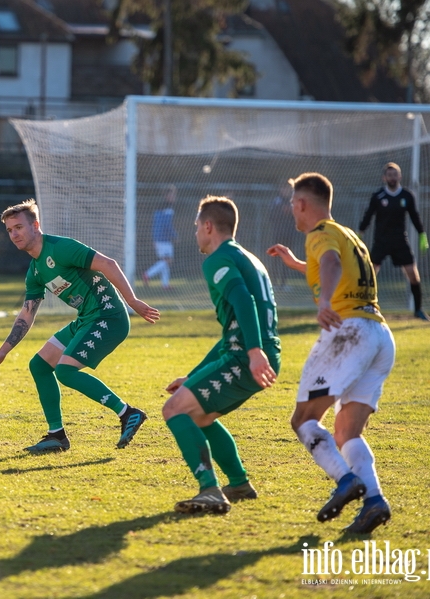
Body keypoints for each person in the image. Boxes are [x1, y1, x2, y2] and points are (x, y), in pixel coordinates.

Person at [268, 172, 395, 534]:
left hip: (348, 332)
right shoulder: (347, 234)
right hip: (379, 334)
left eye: (294, 202)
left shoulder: (319, 233)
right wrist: (295, 264)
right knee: (346, 433)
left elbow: (331, 265)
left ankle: (345, 481)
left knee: (303, 419)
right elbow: (335, 263)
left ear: (303, 204)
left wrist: (324, 300)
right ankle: (373, 501)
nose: (292, 208)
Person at [0, 199, 160, 452]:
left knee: (65, 371)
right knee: (39, 365)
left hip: (108, 316)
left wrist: (132, 300)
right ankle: (56, 436)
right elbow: (27, 313)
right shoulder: (35, 271)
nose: (14, 234)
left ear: (35, 225)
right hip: (86, 319)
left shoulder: (60, 248)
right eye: (10, 230)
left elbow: (108, 264)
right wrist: (3, 351)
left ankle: (127, 413)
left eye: (19, 227)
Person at [163, 196, 280, 515]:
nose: (196, 233)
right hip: (255, 353)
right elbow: (234, 329)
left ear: (209, 226)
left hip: (246, 357)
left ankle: (210, 490)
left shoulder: (218, 259)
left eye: (197, 227)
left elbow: (244, 302)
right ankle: (238, 483)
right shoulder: (248, 258)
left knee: (174, 410)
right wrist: (195, 375)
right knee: (200, 416)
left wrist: (254, 353)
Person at [358, 162, 430, 321]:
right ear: (384, 178)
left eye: (395, 174)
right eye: (389, 175)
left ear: (400, 176)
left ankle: (418, 310)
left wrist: (422, 234)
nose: (392, 177)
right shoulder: (378, 196)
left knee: (413, 275)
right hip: (381, 241)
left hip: (400, 241)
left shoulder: (407, 196)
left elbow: (414, 216)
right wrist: (360, 233)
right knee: (370, 274)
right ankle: (363, 307)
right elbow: (368, 215)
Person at [142, 185, 177, 288]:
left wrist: (154, 238)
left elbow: (155, 224)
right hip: (164, 239)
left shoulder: (159, 206)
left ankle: (165, 284)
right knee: (167, 260)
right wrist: (174, 235)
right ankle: (147, 274)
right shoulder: (168, 207)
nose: (174, 197)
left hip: (158, 238)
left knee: (165, 261)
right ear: (168, 196)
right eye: (173, 195)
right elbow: (167, 224)